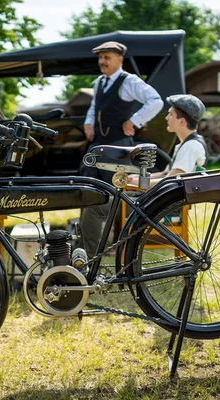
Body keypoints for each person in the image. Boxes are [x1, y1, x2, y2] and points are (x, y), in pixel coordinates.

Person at [80, 40, 164, 257]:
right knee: (89, 192)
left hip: (118, 147)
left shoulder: (130, 81)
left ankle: (117, 245)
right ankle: (89, 249)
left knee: (114, 197)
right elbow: (94, 107)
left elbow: (156, 101)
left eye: (107, 57)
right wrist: (88, 123)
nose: (102, 61)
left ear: (120, 59)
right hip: (97, 145)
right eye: (100, 57)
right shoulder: (99, 82)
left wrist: (134, 121)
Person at [128, 94, 208, 187]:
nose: (166, 118)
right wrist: (137, 178)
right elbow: (165, 174)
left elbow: (172, 181)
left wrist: (137, 183)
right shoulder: (185, 144)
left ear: (182, 121)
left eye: (170, 114)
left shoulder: (191, 146)